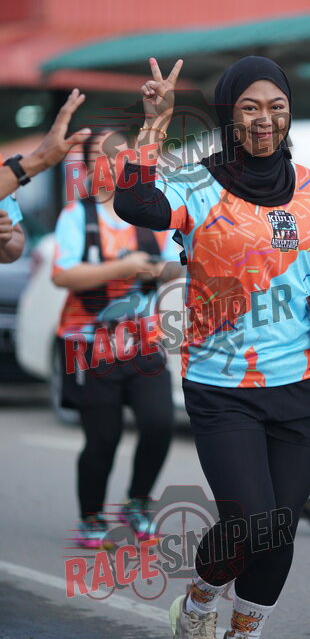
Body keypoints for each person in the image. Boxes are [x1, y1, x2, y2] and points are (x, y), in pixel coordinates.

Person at [114, 55, 310, 639]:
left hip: (303, 382)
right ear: (229, 116)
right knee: (251, 522)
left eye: (276, 107)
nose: (264, 119)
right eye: (249, 107)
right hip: (223, 385)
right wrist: (154, 125)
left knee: (279, 531)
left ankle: (242, 633)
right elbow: (134, 204)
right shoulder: (196, 185)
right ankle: (200, 599)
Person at [51, 127, 181, 549]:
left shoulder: (150, 214)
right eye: (105, 156)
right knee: (102, 438)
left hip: (143, 343)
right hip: (90, 345)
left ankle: (137, 503)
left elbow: (174, 266)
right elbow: (63, 275)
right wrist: (125, 268)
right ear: (89, 166)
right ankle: (91, 518)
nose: (114, 164)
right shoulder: (78, 216)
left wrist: (162, 268)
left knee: (160, 424)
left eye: (123, 156)